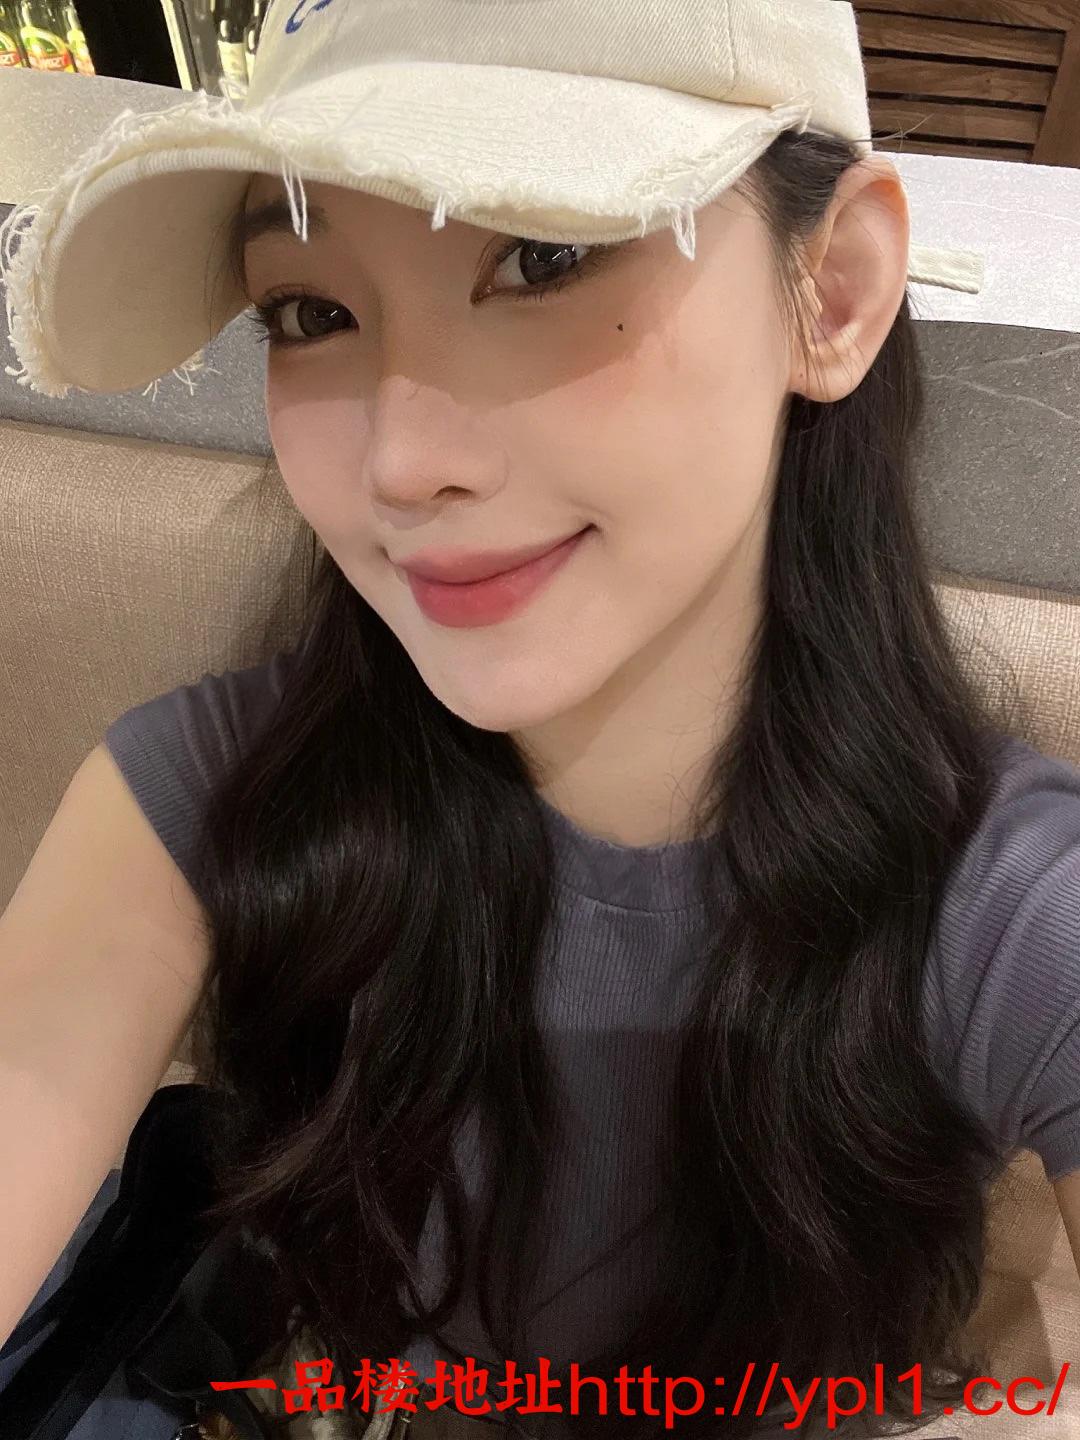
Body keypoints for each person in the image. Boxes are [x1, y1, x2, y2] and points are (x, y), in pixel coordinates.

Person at [1, 3, 1079, 1439]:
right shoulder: (200, 799)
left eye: (544, 257)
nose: (402, 460)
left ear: (830, 291)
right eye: (311, 312)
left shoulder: (1011, 909)